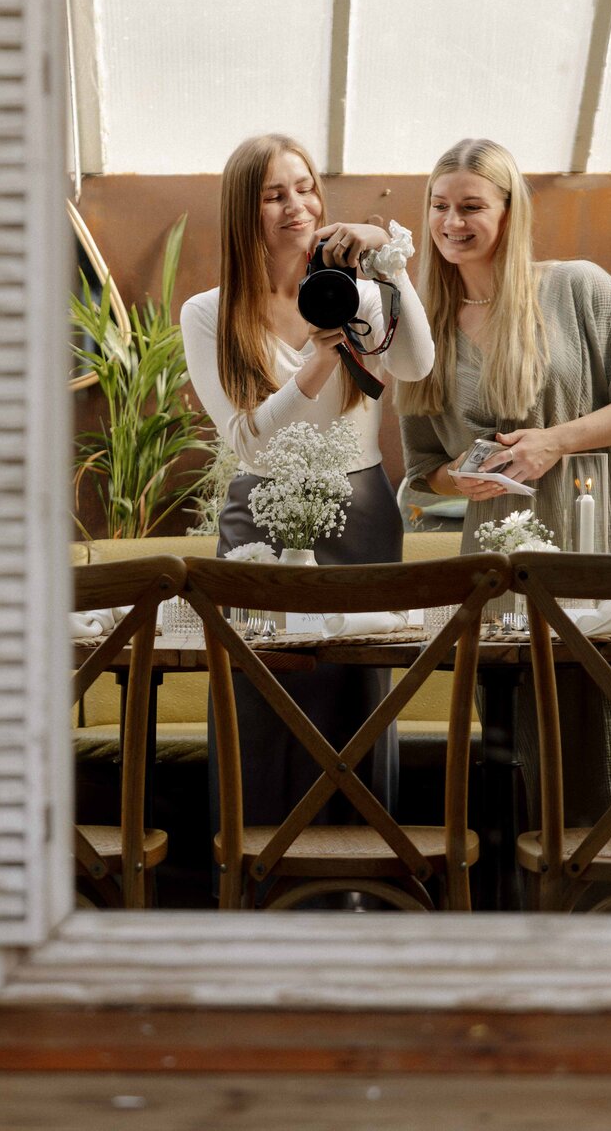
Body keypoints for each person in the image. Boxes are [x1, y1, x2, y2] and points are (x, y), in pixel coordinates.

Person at [397, 137, 611, 835]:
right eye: (438, 205)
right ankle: (546, 883)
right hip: (501, 561)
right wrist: (460, 479)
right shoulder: (421, 328)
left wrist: (557, 439)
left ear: (509, 210)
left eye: (471, 206)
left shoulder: (577, 287)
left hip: (604, 528)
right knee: (532, 736)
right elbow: (423, 468)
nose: (451, 222)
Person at [180, 132, 434, 857]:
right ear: (244, 211)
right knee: (262, 703)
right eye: (274, 195)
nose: (298, 206)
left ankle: (361, 885)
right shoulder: (208, 312)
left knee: (361, 706)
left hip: (363, 514)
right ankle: (260, 874)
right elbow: (251, 444)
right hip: (261, 518)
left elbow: (418, 362)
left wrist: (390, 262)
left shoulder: (359, 290)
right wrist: (320, 360)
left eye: (305, 188)